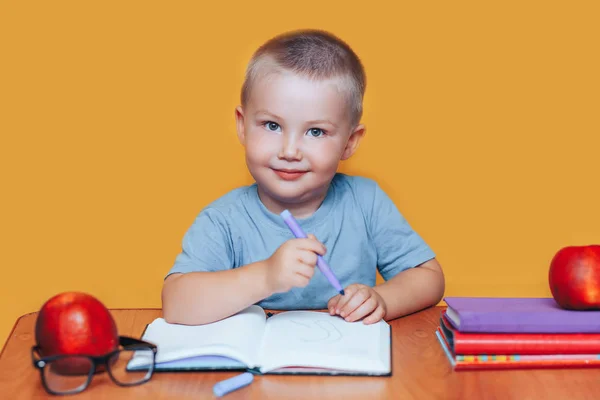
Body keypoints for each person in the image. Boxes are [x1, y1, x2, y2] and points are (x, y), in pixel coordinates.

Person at [161, 29, 445, 326]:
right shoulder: (224, 219)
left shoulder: (366, 202)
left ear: (350, 141)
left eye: (316, 132)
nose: (290, 151)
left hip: (345, 364)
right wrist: (267, 276)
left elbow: (429, 278)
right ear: (243, 126)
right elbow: (177, 303)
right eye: (272, 125)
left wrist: (383, 300)